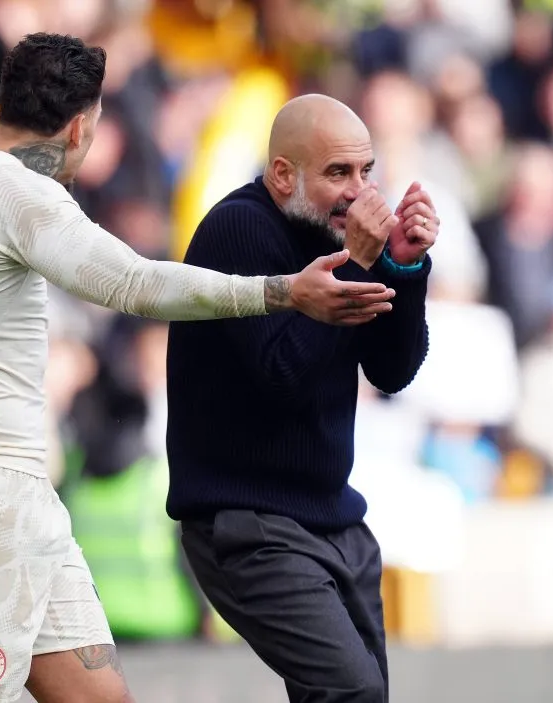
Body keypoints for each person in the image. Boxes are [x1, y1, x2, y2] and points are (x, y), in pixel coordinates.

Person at [0, 35, 395, 703]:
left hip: (15, 500)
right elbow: (136, 285)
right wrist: (281, 290)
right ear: (82, 127)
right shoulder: (22, 196)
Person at [166, 94, 440, 703]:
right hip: (247, 522)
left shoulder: (339, 237)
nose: (358, 191)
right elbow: (283, 373)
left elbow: (391, 370)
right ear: (282, 173)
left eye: (366, 172)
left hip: (333, 517)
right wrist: (362, 261)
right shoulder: (239, 229)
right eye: (338, 173)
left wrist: (403, 269)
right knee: (352, 693)